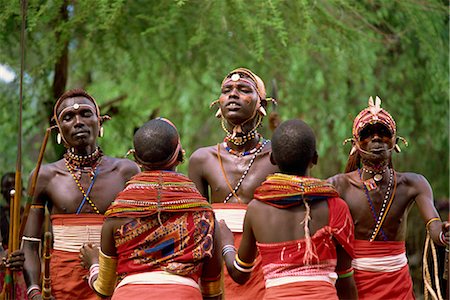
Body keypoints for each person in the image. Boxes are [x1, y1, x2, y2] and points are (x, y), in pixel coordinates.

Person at [79, 118, 223, 299]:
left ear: (136, 159)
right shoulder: (203, 213)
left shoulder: (118, 213)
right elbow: (212, 290)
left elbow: (104, 288)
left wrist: (94, 264)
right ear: (179, 153)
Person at [22, 89, 140, 300]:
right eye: (68, 117)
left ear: (99, 121)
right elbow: (31, 244)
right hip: (64, 281)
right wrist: (34, 292)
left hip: (117, 277)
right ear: (59, 129)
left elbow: (141, 236)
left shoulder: (126, 171)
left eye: (86, 114)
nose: (78, 122)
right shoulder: (45, 175)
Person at [219, 119, 357, 299]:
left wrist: (227, 244)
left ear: (272, 159)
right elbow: (345, 278)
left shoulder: (257, 209)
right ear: (314, 158)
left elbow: (240, 273)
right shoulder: (336, 206)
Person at [328, 96, 449, 299]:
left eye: (384, 133)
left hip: (397, 285)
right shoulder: (339, 185)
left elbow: (433, 224)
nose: (376, 138)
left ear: (396, 140)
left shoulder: (413, 184)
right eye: (367, 133)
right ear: (355, 143)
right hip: (354, 286)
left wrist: (443, 234)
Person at [189, 68, 279, 299]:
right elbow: (197, 225)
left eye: (244, 90)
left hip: (265, 261)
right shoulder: (202, 159)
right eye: (227, 90)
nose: (233, 95)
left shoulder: (277, 156)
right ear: (218, 104)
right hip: (215, 260)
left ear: (261, 103)